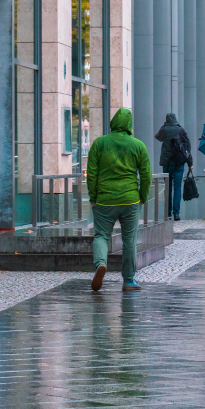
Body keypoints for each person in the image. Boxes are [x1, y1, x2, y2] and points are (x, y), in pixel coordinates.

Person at [87, 108, 152, 292]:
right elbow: (146, 175)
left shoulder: (100, 143)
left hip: (104, 200)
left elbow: (91, 173)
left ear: (113, 122)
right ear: (129, 125)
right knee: (129, 240)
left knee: (101, 235)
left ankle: (100, 263)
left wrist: (93, 197)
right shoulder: (138, 145)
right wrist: (142, 197)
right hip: (130, 200)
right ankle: (129, 280)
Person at [155, 113, 193, 221]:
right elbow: (187, 147)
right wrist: (190, 163)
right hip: (179, 163)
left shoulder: (164, 130)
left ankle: (167, 213)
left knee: (168, 188)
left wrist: (163, 126)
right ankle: (176, 213)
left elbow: (157, 137)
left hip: (167, 163)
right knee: (177, 188)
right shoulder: (180, 129)